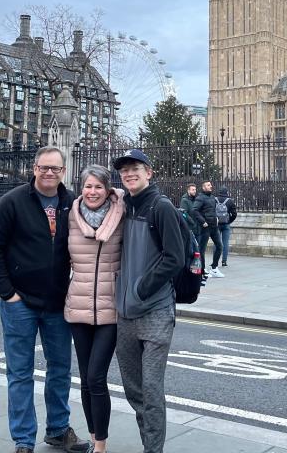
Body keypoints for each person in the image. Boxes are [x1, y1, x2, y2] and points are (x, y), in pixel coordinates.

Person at [0, 146, 84, 453]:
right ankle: (24, 440)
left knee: (60, 370)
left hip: (57, 303)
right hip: (20, 303)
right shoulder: (12, 202)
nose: (49, 173)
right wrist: (8, 294)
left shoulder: (71, 203)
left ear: (64, 172)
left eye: (56, 168)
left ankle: (58, 430)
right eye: (44, 167)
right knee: (20, 373)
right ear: (34, 168)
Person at [113, 148, 183, 453]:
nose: (129, 174)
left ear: (149, 172)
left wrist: (142, 288)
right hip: (125, 314)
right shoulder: (122, 207)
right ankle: (148, 442)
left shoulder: (161, 206)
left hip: (155, 310)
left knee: (152, 388)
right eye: (124, 170)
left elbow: (175, 258)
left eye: (135, 168)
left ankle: (153, 450)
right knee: (134, 389)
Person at [65, 164, 125, 453]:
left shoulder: (123, 215)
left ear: (108, 189)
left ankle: (100, 446)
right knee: (85, 380)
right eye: (88, 186)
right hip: (77, 307)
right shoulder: (71, 217)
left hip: (111, 310)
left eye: (98, 186)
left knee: (96, 377)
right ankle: (93, 436)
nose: (92, 192)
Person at [192, 180, 223, 277]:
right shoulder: (200, 198)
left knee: (219, 246)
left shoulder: (213, 197)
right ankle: (202, 269)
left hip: (214, 226)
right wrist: (203, 221)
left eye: (210, 184)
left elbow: (213, 210)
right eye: (208, 185)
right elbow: (194, 210)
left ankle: (214, 268)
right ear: (203, 187)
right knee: (202, 249)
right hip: (205, 227)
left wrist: (217, 217)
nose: (211, 186)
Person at [214, 186, 237, 267]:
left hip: (216, 224)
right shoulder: (230, 201)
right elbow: (234, 214)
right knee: (225, 242)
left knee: (216, 242)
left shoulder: (214, 199)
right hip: (226, 224)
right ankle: (224, 261)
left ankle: (215, 261)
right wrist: (229, 221)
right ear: (226, 192)